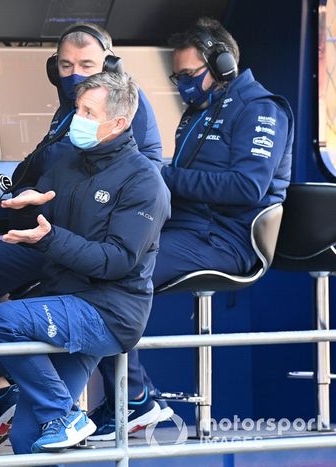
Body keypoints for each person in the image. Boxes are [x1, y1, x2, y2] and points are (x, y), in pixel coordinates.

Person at [0, 22, 166, 451]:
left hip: (109, 313)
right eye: (77, 112)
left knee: (1, 321)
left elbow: (116, 261)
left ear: (120, 123)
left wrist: (47, 238)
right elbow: (40, 192)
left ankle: (65, 412)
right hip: (68, 297)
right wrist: (29, 203)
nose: (79, 120)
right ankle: (57, 416)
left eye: (89, 114)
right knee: (29, 437)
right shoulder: (71, 159)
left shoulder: (144, 180)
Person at [86, 17, 294, 440]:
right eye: (176, 77)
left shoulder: (261, 108)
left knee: (116, 271)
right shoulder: (201, 112)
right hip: (186, 229)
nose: (182, 85)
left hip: (227, 241)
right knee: (90, 258)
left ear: (222, 64)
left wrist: (163, 176)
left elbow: (248, 186)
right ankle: (131, 398)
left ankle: (136, 399)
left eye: (189, 75)